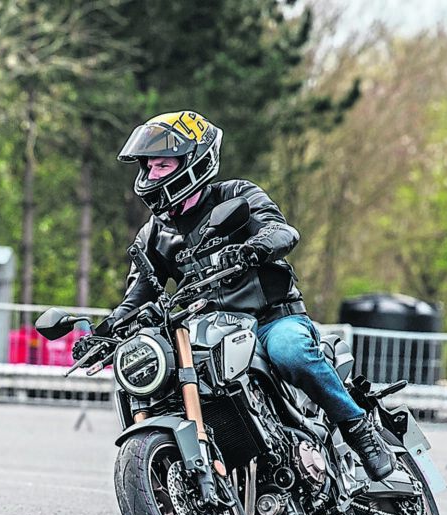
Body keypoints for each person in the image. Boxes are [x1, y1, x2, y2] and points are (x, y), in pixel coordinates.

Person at [100, 110, 395, 481]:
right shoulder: (154, 235)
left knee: (290, 350)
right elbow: (138, 294)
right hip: (209, 334)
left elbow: (281, 231)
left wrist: (253, 248)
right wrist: (105, 328)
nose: (151, 175)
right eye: (148, 167)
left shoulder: (237, 195)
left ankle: (359, 430)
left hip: (271, 320)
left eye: (161, 165)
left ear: (193, 163)